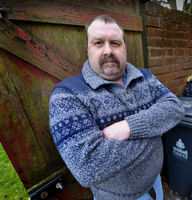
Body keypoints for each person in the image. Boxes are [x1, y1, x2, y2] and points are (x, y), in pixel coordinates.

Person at [49, 14, 184, 200]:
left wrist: (129, 127)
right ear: (87, 48)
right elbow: (87, 167)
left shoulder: (146, 76)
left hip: (155, 183)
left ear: (125, 47)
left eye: (115, 43)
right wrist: (155, 131)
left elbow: (175, 108)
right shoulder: (67, 95)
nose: (107, 51)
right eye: (98, 43)